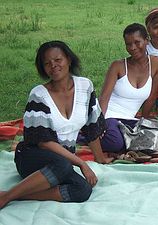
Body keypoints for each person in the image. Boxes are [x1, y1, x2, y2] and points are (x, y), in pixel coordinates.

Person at [0, 40, 113, 209]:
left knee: (82, 190)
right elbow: (43, 142)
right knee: (62, 165)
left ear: (68, 59)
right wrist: (81, 163)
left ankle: (13, 195)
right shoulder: (38, 95)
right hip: (32, 158)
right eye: (47, 63)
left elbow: (92, 127)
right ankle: (5, 199)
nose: (53, 65)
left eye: (58, 60)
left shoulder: (85, 86)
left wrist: (100, 159)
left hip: (63, 162)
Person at [99, 23, 158, 153]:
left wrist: (144, 123)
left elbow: (151, 98)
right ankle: (87, 133)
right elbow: (104, 98)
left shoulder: (156, 64)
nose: (133, 48)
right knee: (115, 143)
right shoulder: (118, 66)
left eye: (137, 42)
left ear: (147, 41)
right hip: (108, 115)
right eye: (128, 44)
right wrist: (98, 124)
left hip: (129, 120)